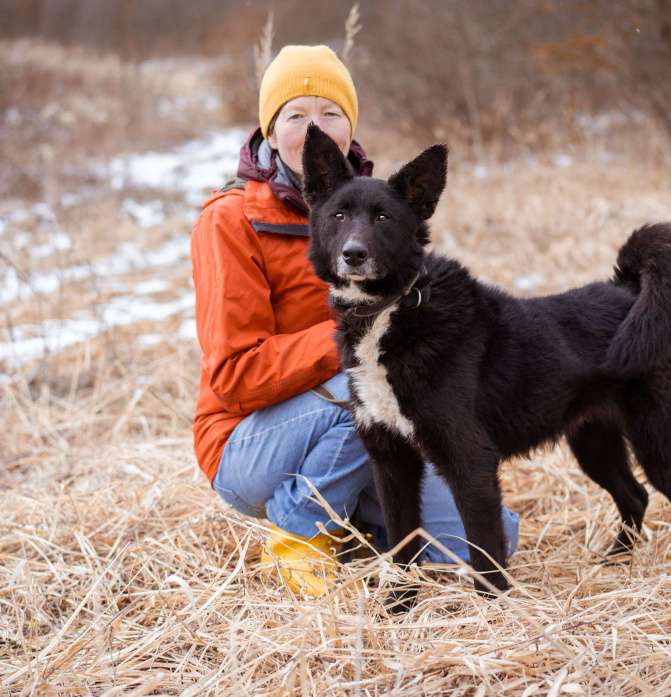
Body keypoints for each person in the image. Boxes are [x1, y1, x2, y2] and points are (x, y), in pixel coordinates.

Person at [190, 45, 519, 597]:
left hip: (341, 424)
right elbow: (233, 375)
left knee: (491, 541)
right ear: (270, 131)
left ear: (348, 128)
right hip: (247, 444)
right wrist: (357, 334)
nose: (312, 127)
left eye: (330, 113)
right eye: (295, 115)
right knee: (370, 383)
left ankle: (357, 523)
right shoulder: (231, 219)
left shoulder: (380, 209)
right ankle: (301, 529)